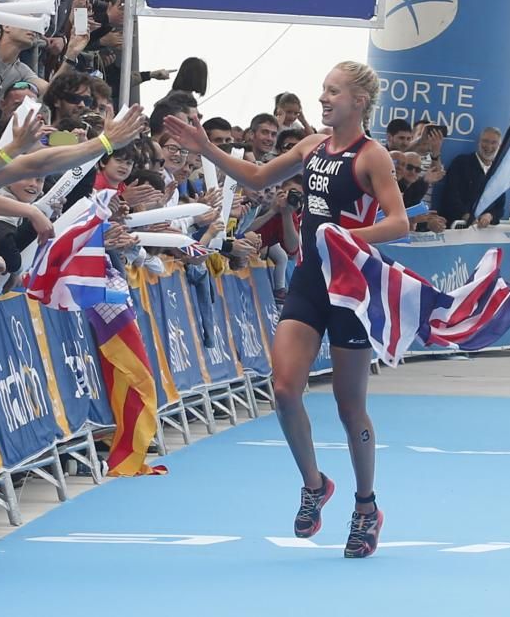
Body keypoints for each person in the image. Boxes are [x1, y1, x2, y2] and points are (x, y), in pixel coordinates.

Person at [165, 61, 408, 558]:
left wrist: (345, 237)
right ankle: (315, 484)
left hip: (349, 287)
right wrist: (207, 148)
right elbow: (255, 175)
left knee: (348, 405)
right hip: (308, 282)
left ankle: (366, 507)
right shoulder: (311, 147)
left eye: (333, 91)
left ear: (359, 102)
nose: (323, 98)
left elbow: (400, 222)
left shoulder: (372, 156)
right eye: (323, 89)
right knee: (283, 388)